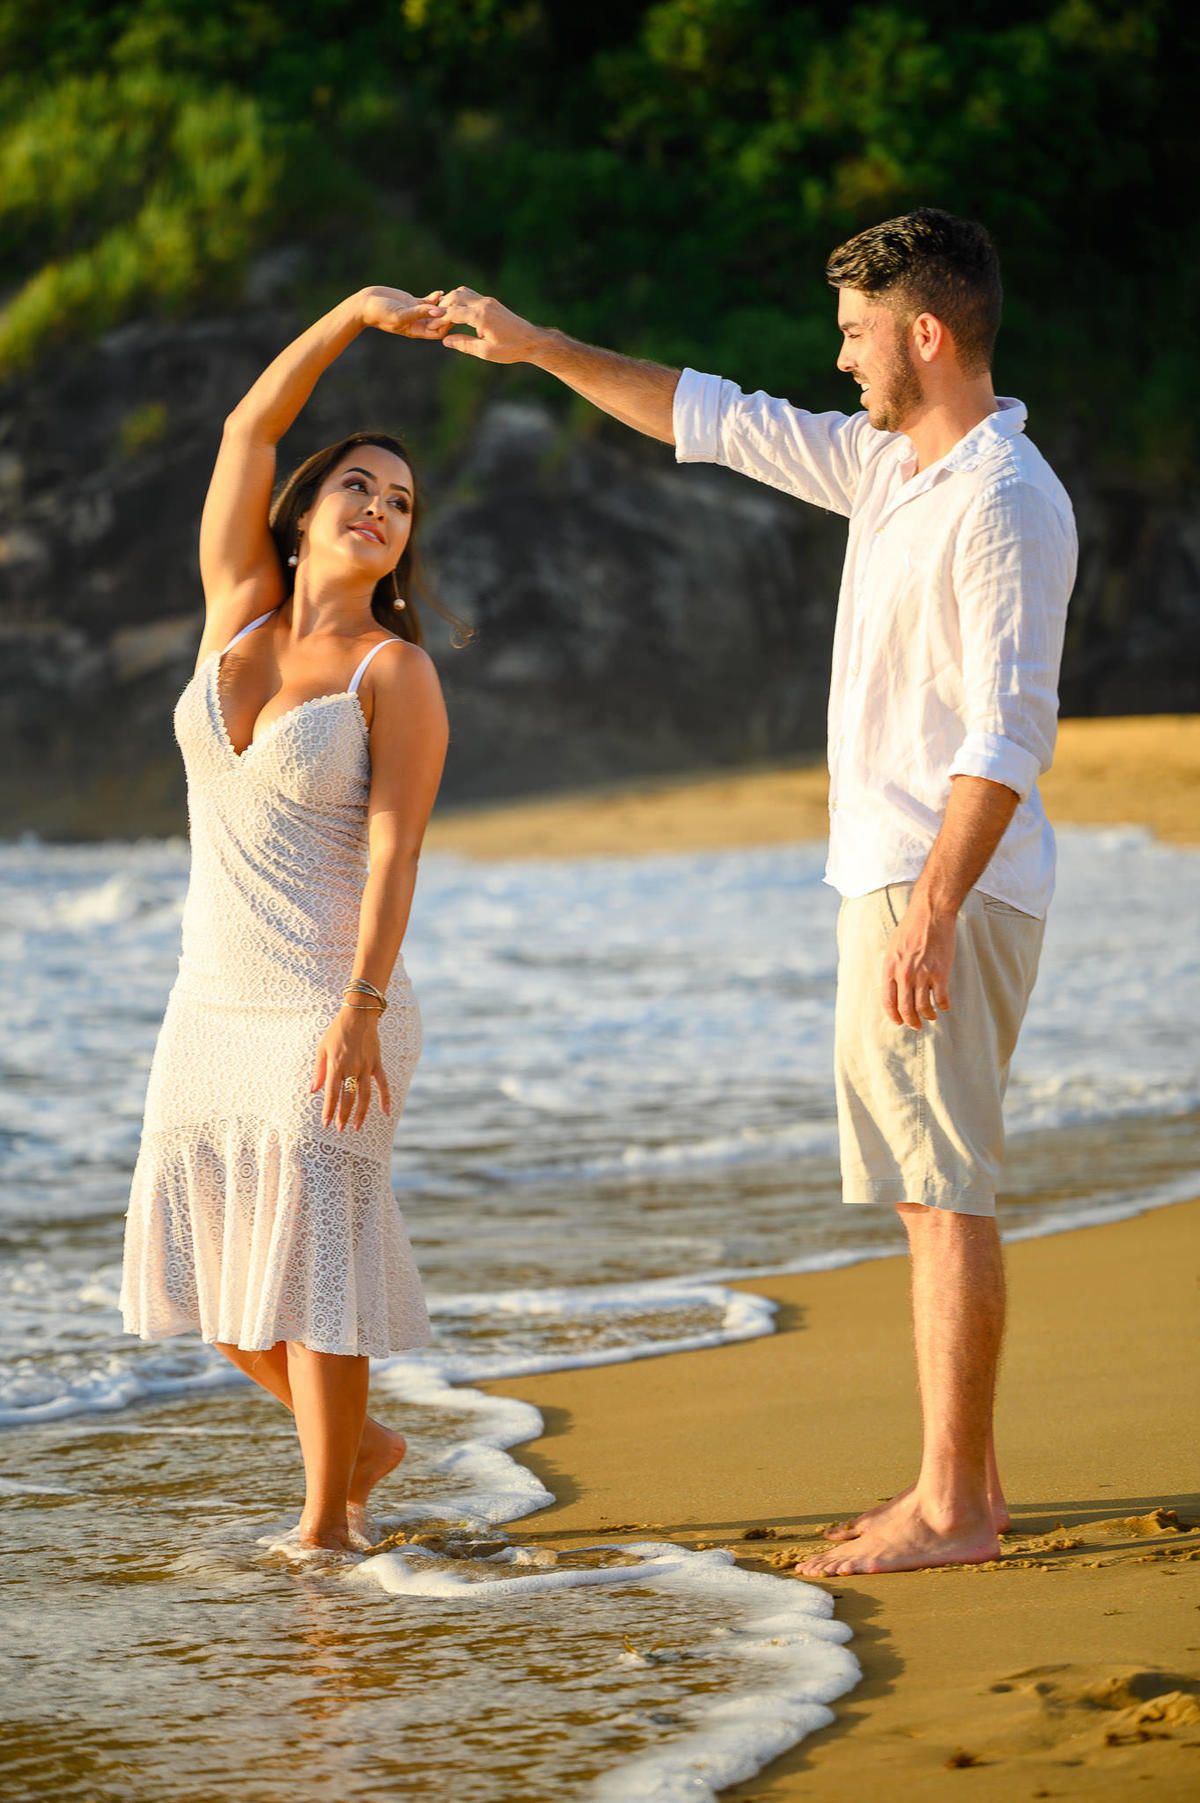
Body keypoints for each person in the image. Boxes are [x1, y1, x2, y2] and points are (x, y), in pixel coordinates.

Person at [430, 209, 1077, 1574]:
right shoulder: (891, 468)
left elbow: (1009, 733)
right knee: (924, 1184)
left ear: (925, 331)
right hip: (903, 879)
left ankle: (955, 1504)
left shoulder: (1004, 496)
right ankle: (963, 1482)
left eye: (854, 331)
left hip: (937, 880)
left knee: (942, 1183)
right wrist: (539, 347)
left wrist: (937, 909)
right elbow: (707, 413)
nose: (838, 358)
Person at [120, 285, 452, 1553]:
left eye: (403, 503)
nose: (380, 509)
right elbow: (247, 431)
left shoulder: (394, 670)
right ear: (306, 514)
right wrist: (353, 318)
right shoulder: (235, 618)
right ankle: (358, 1445)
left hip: (332, 997)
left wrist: (361, 1011)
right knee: (213, 1284)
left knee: (316, 1261)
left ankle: (329, 1522)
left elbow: (396, 848)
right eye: (359, 487)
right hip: (210, 1000)